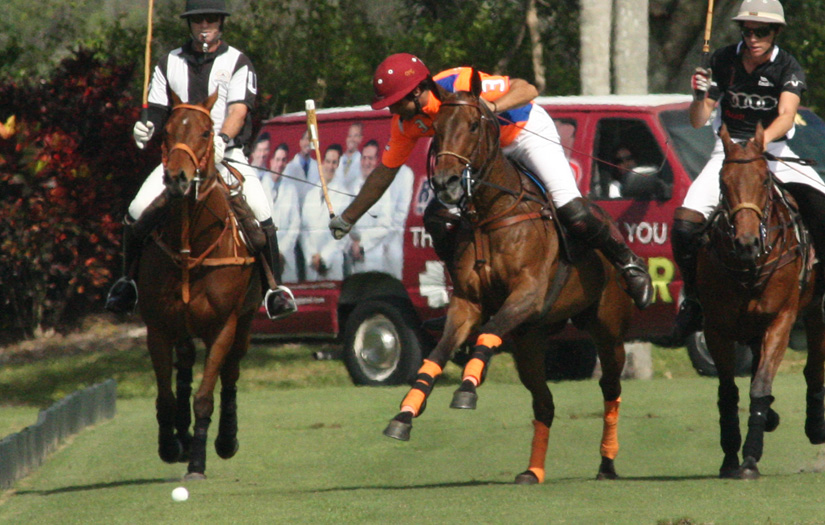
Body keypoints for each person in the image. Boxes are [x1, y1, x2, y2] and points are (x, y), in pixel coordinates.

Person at [328, 53, 653, 309]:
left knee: (572, 209)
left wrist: (492, 105)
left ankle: (628, 264)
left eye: (394, 102)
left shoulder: (458, 82)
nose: (391, 111)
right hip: (485, 155)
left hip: (525, 133)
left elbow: (527, 89)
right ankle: (464, 294)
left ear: (415, 91)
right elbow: (384, 172)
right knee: (439, 218)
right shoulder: (405, 123)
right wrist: (348, 217)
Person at [104, 0, 295, 320]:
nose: (204, 26)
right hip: (180, 159)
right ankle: (128, 283)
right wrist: (145, 127)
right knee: (136, 210)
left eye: (211, 19)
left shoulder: (238, 62)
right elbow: (157, 110)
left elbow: (238, 110)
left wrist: (222, 139)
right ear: (189, 24)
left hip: (225, 154)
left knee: (261, 211)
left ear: (221, 23)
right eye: (198, 20)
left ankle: (273, 289)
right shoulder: (169, 62)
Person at [671, 0, 825, 343]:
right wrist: (698, 95)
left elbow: (786, 116)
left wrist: (758, 144)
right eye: (748, 31)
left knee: (822, 207)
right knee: (684, 224)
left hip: (774, 151)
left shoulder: (787, 66)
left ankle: (819, 291)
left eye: (762, 32)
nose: (753, 38)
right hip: (728, 154)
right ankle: (693, 300)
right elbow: (698, 120)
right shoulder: (722, 60)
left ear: (776, 32)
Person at [301, 144, 350, 281]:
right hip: (312, 264)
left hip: (333, 262)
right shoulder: (310, 195)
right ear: (322, 163)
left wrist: (324, 258)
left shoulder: (344, 195)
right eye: (328, 161)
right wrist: (312, 256)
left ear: (338, 165)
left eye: (334, 162)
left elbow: (343, 233)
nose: (330, 166)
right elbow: (304, 231)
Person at [347, 140, 394, 274]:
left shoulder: (383, 189)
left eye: (371, 158)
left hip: (374, 256)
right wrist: (352, 245)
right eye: (364, 158)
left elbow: (384, 226)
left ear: (377, 161)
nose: (366, 162)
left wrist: (361, 244)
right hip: (354, 257)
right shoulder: (352, 187)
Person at [263, 143, 302, 283]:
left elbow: (295, 224)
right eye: (278, 159)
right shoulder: (260, 186)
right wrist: (271, 251)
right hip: (265, 254)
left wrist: (282, 251)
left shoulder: (291, 189)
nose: (280, 164)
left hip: (286, 256)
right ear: (271, 161)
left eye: (284, 160)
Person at [283, 128, 319, 210]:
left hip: (311, 211)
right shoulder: (289, 168)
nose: (309, 143)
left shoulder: (318, 167)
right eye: (307, 139)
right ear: (301, 142)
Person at [335, 122, 364, 194]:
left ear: (361, 139)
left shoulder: (362, 161)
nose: (352, 139)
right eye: (349, 136)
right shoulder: (339, 159)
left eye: (355, 136)